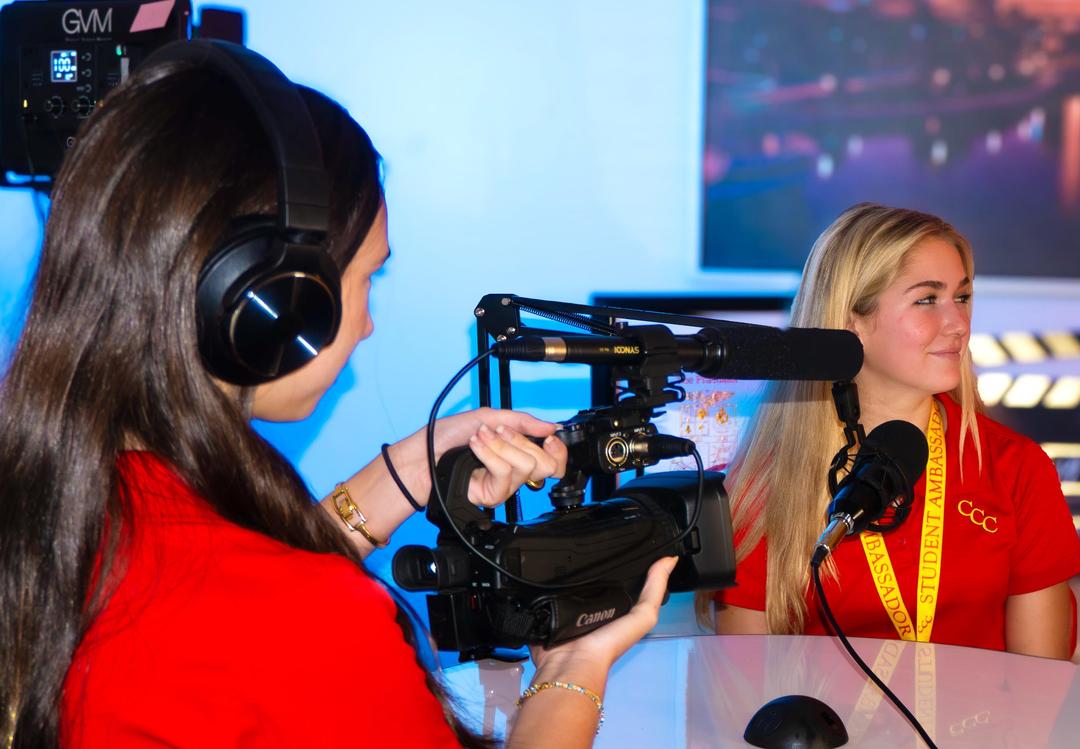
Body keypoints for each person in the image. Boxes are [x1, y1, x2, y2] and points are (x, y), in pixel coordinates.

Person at [0, 43, 673, 748]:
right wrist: (572, 670)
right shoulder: (309, 619)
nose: (368, 323)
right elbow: (277, 619)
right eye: (366, 278)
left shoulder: (67, 513)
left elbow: (229, 598)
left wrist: (413, 467)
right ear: (277, 300)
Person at [703, 203, 1080, 658]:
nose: (958, 324)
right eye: (927, 300)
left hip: (983, 712)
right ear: (850, 321)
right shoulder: (764, 485)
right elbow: (745, 686)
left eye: (962, 297)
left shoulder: (1015, 468)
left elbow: (1040, 682)